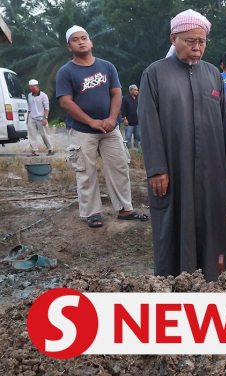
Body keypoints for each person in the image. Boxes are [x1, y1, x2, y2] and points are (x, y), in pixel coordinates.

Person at [138, 10, 226, 281]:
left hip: (212, 169)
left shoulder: (212, 75)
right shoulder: (155, 74)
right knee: (174, 224)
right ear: (174, 38)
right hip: (174, 168)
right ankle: (174, 280)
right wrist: (156, 169)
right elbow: (148, 124)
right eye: (190, 41)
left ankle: (216, 277)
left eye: (202, 41)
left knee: (214, 224)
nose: (197, 47)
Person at [56, 25, 147, 228]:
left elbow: (116, 93)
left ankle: (125, 209)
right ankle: (93, 213)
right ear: (69, 46)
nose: (81, 41)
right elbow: (65, 102)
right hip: (82, 130)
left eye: (84, 38)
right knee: (86, 172)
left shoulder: (107, 67)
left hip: (110, 129)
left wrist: (111, 117)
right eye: (75, 39)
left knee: (119, 166)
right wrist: (91, 121)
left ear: (91, 42)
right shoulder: (66, 72)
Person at [26, 79, 54, 156]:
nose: (31, 88)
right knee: (31, 135)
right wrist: (27, 117)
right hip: (32, 118)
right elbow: (29, 107)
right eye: (30, 86)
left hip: (41, 118)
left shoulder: (43, 95)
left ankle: (50, 149)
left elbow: (46, 108)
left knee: (44, 135)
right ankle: (34, 151)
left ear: (37, 86)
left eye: (33, 86)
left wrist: (45, 118)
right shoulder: (29, 95)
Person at [121, 84, 140, 149]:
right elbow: (123, 109)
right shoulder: (125, 99)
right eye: (135, 90)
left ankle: (136, 150)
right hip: (128, 122)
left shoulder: (139, 98)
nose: (137, 91)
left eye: (137, 90)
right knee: (128, 138)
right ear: (130, 90)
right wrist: (125, 119)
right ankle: (128, 151)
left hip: (137, 122)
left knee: (138, 137)